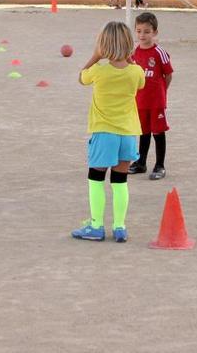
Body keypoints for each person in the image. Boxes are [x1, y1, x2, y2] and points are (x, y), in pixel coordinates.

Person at [72, 21, 145, 243]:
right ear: (129, 45)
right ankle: (120, 226)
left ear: (103, 45)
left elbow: (81, 77)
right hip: (128, 134)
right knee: (120, 181)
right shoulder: (136, 72)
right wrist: (129, 58)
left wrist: (95, 56)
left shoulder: (99, 71)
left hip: (104, 133)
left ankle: (96, 225)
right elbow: (140, 83)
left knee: (96, 178)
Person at [128, 12, 173, 180]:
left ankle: (160, 165)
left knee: (158, 132)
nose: (142, 35)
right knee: (143, 132)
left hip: (156, 102)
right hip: (140, 101)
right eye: (139, 31)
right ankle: (141, 163)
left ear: (155, 32)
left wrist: (161, 92)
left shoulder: (159, 53)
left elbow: (168, 75)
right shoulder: (134, 53)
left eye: (147, 31)